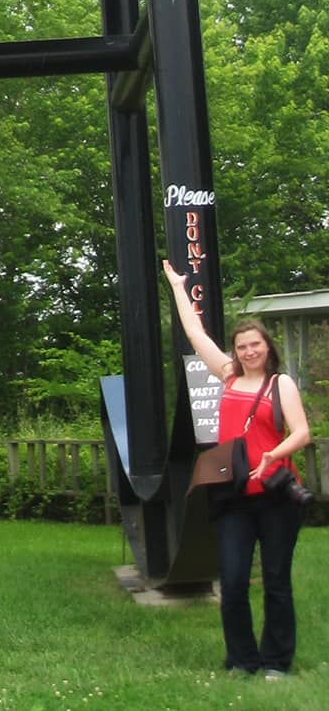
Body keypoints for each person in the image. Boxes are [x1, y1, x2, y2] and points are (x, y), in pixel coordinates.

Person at [162, 259, 312, 677]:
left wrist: (272, 455)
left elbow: (302, 432)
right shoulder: (227, 376)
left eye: (255, 345)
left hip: (276, 496)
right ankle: (241, 660)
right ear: (235, 352)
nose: (249, 351)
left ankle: (276, 662)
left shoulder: (279, 384)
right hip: (232, 499)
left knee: (277, 583)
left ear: (267, 348)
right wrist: (177, 285)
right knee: (232, 583)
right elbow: (194, 333)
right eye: (242, 346)